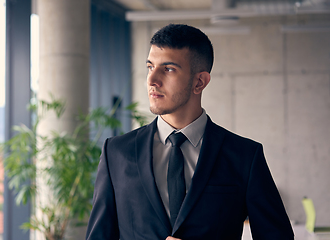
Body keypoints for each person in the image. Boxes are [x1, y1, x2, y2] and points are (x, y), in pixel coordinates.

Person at [85, 24, 294, 240]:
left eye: (168, 69)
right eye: (150, 67)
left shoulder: (245, 156)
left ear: (199, 82)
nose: (152, 80)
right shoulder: (116, 152)